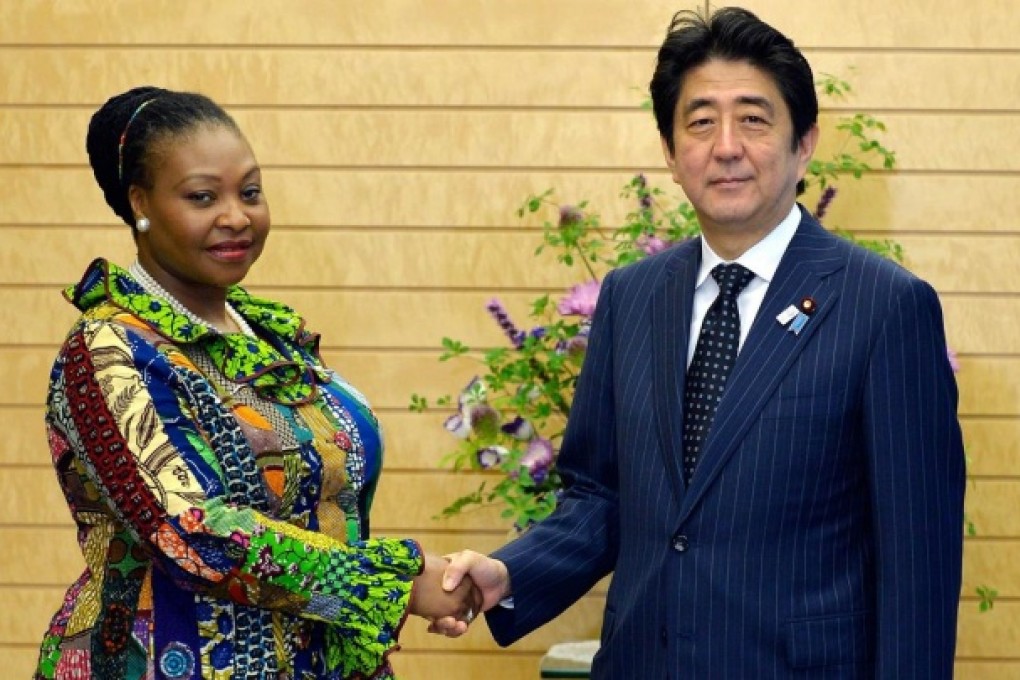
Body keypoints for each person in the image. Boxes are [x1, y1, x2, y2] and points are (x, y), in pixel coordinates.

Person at [435, 7, 966, 678]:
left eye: (753, 118)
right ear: (669, 149)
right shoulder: (631, 297)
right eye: (700, 121)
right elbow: (600, 495)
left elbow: (917, 561)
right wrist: (508, 572)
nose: (726, 145)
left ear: (804, 142)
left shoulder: (885, 306)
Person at [34, 86, 479, 680]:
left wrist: (432, 581)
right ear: (139, 203)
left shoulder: (271, 337)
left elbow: (322, 503)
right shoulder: (111, 348)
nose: (236, 217)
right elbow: (191, 531)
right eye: (202, 196)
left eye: (250, 192)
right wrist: (401, 584)